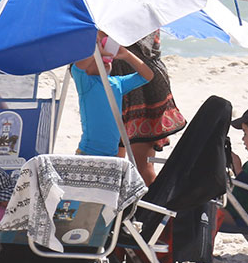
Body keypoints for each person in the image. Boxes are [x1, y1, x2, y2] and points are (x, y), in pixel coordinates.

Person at [111, 30, 186, 185]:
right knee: (113, 164)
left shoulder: (134, 11)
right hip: (126, 78)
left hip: (141, 83)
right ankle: (126, 207)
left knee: (141, 163)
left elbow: (140, 46)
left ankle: (153, 208)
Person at [72, 32, 154, 157]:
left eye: (107, 60)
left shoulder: (117, 83)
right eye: (98, 60)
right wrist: (96, 52)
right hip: (88, 152)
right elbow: (77, 67)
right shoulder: (86, 83)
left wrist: (126, 55)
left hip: (112, 154)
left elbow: (148, 75)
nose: (104, 61)